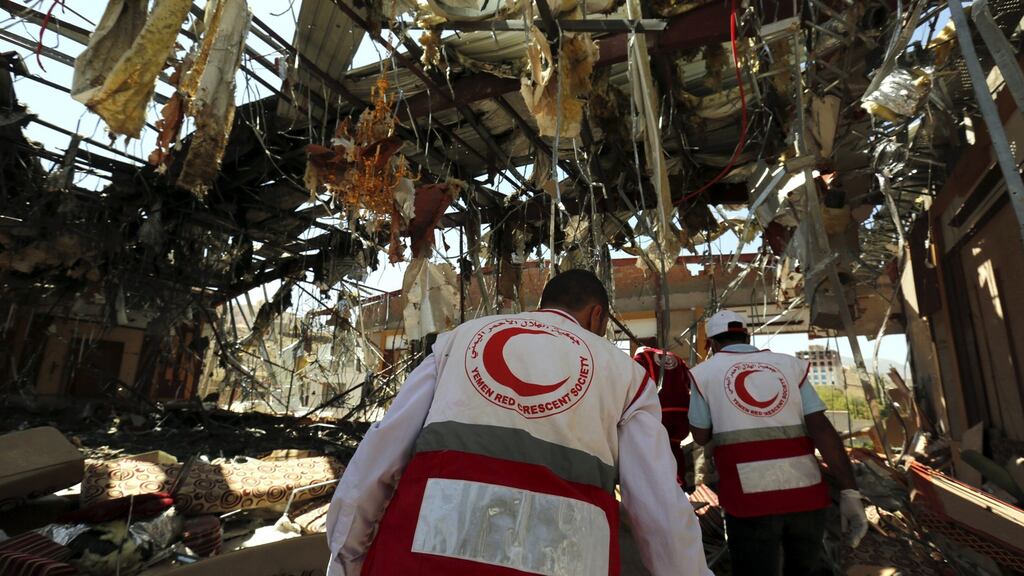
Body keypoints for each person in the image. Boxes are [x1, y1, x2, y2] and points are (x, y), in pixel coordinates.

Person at [325, 269, 711, 576]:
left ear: (543, 305)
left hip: (420, 558)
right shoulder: (625, 374)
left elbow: (376, 459)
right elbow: (660, 510)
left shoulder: (459, 341)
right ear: (598, 315)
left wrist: (347, 560)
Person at [687, 310, 868, 576]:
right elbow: (822, 429)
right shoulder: (789, 366)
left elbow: (701, 436)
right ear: (747, 336)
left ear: (711, 344)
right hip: (806, 496)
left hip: (748, 501)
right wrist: (850, 491)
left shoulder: (704, 374)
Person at [633, 344, 692, 486]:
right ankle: (680, 485)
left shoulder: (640, 358)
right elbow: (689, 382)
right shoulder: (675, 357)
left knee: (653, 455)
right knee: (675, 448)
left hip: (658, 415)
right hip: (682, 415)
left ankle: (660, 490)